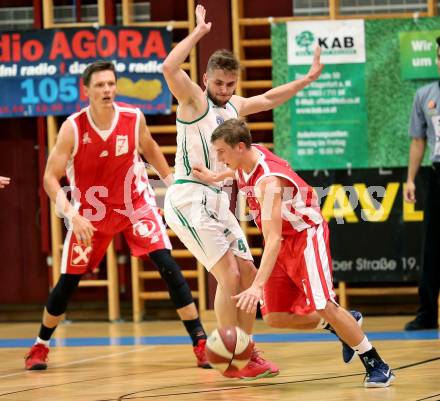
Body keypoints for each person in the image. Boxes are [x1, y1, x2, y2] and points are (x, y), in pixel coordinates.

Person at [162, 5, 325, 379]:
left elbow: (268, 98)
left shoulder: (234, 106)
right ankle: (229, 350)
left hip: (220, 199)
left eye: (230, 84)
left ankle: (246, 353)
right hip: (189, 196)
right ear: (205, 78)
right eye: (218, 83)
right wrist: (199, 32)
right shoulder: (194, 101)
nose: (224, 90)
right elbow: (169, 68)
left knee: (251, 277)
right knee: (228, 275)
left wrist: (308, 79)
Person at [24, 61, 210, 370]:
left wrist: (172, 187)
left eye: (111, 84)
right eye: (100, 85)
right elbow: (49, 178)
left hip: (134, 204)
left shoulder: (132, 117)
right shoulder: (73, 127)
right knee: (68, 282)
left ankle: (200, 342)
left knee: (167, 265)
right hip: (91, 214)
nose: (107, 90)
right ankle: (40, 346)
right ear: (86, 91)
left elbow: (150, 150)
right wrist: (73, 214)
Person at [193, 118, 396, 388]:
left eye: (221, 152)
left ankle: (375, 362)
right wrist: (216, 176)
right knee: (275, 317)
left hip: (304, 235)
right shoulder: (245, 160)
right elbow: (240, 177)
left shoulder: (268, 183)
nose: (218, 158)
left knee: (324, 305)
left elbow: (273, 239)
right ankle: (342, 324)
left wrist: (257, 286)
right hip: (282, 239)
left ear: (240, 147)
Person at [404, 37, 440, 331]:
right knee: (432, 247)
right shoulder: (425, 95)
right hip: (437, 174)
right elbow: (419, 140)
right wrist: (410, 179)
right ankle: (427, 313)